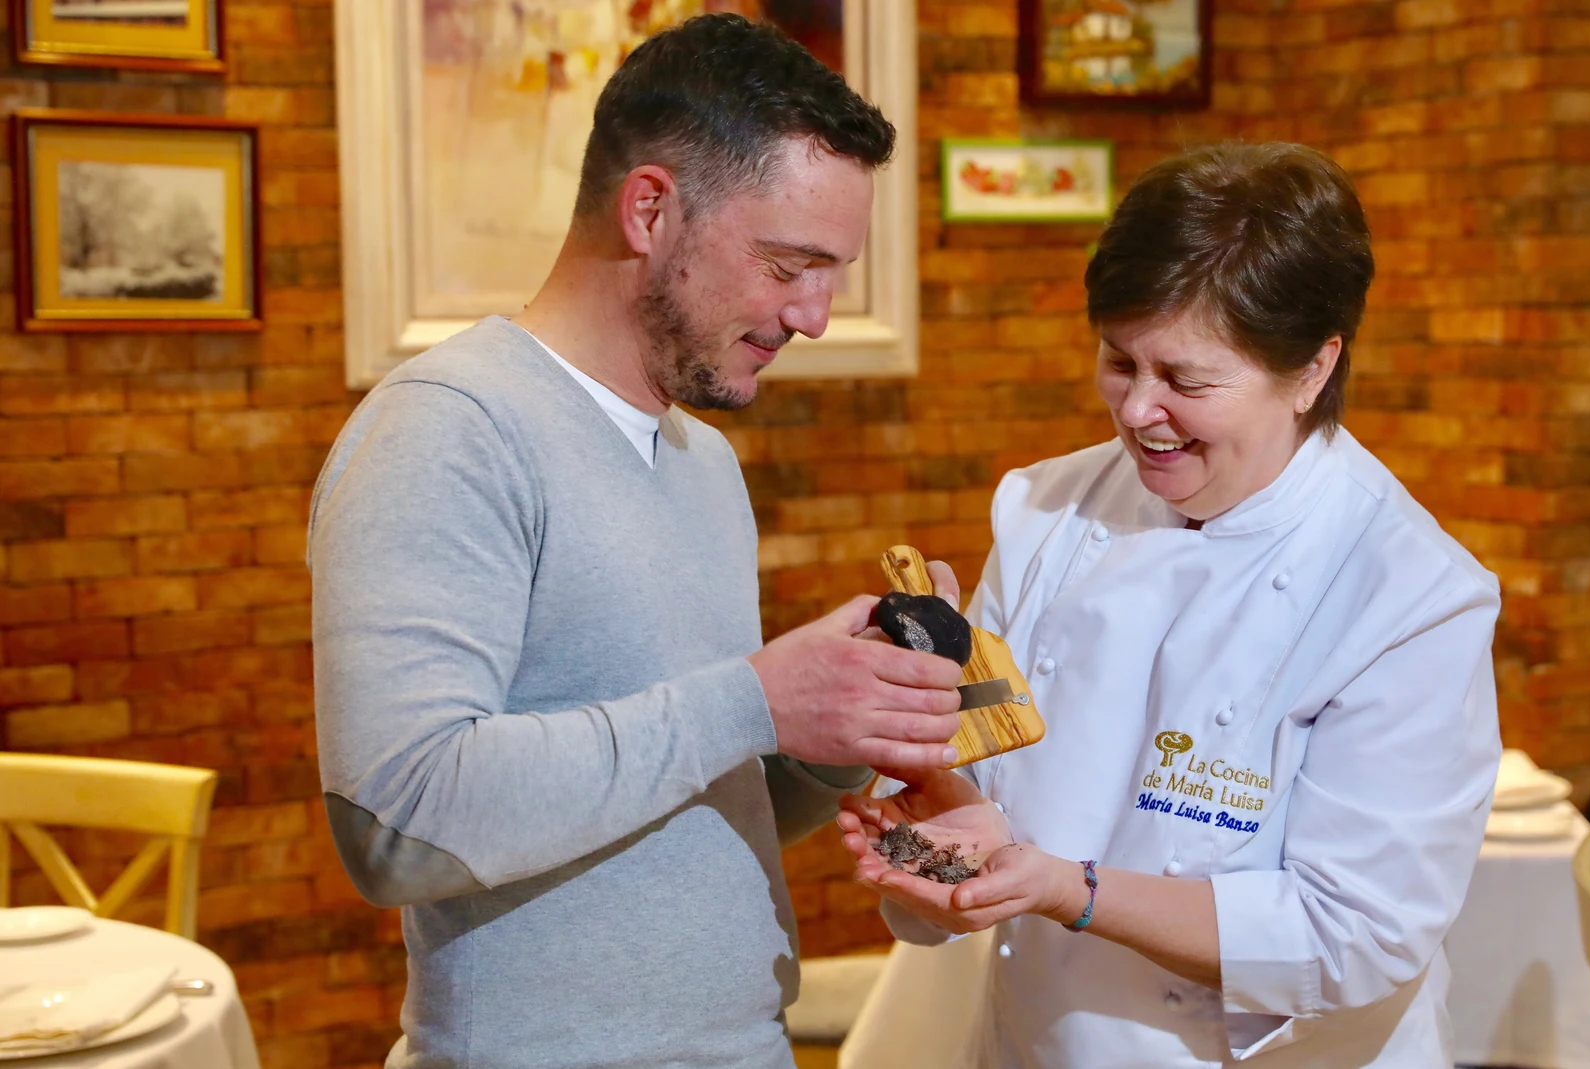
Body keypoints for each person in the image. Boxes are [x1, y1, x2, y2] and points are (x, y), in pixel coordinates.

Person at [308, 15, 965, 1069]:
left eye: (833, 272)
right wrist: (753, 698)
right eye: (790, 263)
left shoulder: (702, 459)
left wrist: (828, 742)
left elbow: (685, 804)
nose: (816, 316)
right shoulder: (447, 427)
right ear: (651, 208)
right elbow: (402, 823)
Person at [837, 143, 1503, 1067]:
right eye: (1120, 361)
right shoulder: (1044, 510)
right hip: (1039, 1041)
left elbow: (1353, 933)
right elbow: (982, 787)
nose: (1137, 411)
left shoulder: (1408, 593)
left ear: (1313, 369)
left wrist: (1070, 889)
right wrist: (943, 820)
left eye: (1186, 380)